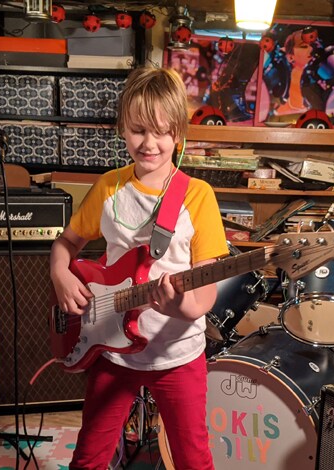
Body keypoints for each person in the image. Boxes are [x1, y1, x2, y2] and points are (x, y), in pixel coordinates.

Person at [50, 67, 228, 469]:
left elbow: (203, 297)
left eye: (162, 132)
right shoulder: (109, 188)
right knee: (88, 457)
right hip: (112, 350)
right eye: (138, 130)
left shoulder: (198, 197)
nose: (149, 144)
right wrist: (61, 274)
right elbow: (66, 243)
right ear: (122, 130)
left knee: (193, 459)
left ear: (178, 134)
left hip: (178, 353)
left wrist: (174, 307)